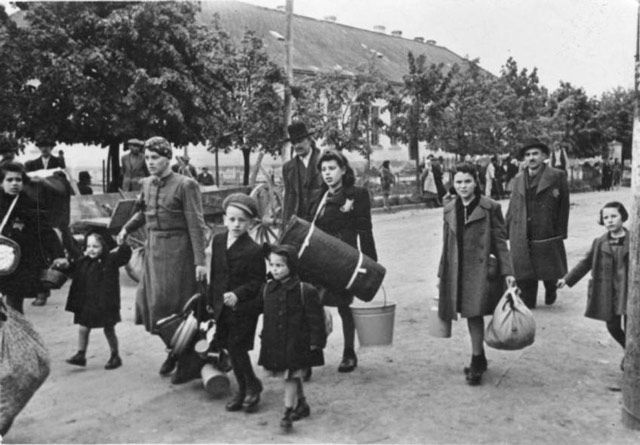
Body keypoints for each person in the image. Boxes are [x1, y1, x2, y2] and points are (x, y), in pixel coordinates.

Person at [117, 136, 207, 384]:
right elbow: (142, 213)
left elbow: (197, 226)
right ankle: (176, 351)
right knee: (149, 306)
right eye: (147, 158)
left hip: (178, 253)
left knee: (173, 308)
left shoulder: (185, 185)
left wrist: (200, 261)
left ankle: (186, 359)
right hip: (153, 250)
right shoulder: (146, 184)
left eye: (155, 157)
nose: (150, 162)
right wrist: (126, 228)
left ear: (168, 158)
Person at [437, 162, 514, 386]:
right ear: (453, 184)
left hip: (478, 269)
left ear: (476, 182)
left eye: (467, 181)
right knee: (468, 314)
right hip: (456, 267)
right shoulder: (450, 208)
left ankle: (477, 359)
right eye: (458, 182)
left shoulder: (490, 207)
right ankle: (478, 358)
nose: (463, 186)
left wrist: (507, 271)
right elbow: (446, 241)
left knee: (474, 314)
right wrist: (442, 271)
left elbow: (500, 241)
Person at [309, 149, 377, 373]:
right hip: (319, 261)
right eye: (324, 169)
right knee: (313, 303)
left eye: (332, 168)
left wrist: (371, 264)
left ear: (343, 170)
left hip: (343, 260)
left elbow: (365, 231)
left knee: (342, 305)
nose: (327, 173)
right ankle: (314, 348)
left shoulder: (356, 194)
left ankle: (349, 352)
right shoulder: (319, 196)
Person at [257, 244, 326, 432]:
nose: (274, 269)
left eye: (279, 265)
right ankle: (301, 403)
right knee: (292, 375)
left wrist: (316, 342)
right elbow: (267, 316)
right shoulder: (268, 289)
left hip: (297, 344)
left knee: (290, 376)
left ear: (292, 266)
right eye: (272, 265)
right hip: (278, 344)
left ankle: (287, 411)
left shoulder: (305, 290)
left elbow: (315, 320)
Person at [209, 193, 265, 413]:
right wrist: (211, 301)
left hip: (244, 308)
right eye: (232, 219)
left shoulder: (253, 250)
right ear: (224, 220)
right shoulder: (219, 240)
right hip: (222, 307)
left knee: (238, 349)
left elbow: (258, 282)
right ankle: (247, 386)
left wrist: (239, 294)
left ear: (250, 223)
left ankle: (249, 388)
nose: (236, 225)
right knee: (231, 350)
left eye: (242, 220)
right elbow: (216, 273)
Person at [557, 202, 629, 370]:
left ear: (623, 217)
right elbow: (586, 262)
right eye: (606, 217)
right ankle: (629, 350)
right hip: (609, 291)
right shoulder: (600, 242)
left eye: (614, 216)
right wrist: (567, 279)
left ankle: (632, 357)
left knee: (632, 325)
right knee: (612, 325)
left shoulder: (634, 240)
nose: (609, 221)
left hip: (628, 291)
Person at [506, 138, 570, 309]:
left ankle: (551, 288)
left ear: (544, 156)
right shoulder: (519, 178)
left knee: (548, 264)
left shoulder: (557, 175)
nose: (531, 158)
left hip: (546, 227)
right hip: (523, 228)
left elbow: (564, 205)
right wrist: (507, 228)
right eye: (528, 155)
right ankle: (528, 297)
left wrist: (561, 231)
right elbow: (513, 205)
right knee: (525, 266)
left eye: (535, 154)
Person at [54, 232, 132, 370]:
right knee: (83, 329)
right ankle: (81, 354)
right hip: (87, 303)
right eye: (88, 246)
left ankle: (115, 355)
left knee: (109, 329)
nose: (91, 249)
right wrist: (64, 266)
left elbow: (124, 255)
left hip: (106, 303)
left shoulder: (111, 260)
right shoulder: (83, 261)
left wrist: (122, 244)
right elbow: (72, 268)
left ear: (104, 246)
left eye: (95, 246)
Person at [0, 162, 65, 314]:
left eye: (18, 180)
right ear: (1, 182)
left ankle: (15, 336)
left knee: (14, 305)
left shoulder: (29, 203)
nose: (15, 183)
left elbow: (46, 231)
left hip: (19, 264)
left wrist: (58, 255)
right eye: (9, 180)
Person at [282, 122, 324, 224]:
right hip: (298, 222)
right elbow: (288, 199)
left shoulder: (324, 161)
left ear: (309, 140)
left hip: (321, 221)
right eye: (294, 143)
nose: (297, 146)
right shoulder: (288, 167)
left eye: (300, 141)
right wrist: (285, 225)